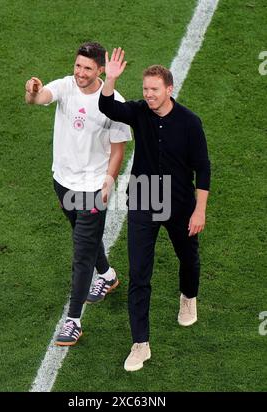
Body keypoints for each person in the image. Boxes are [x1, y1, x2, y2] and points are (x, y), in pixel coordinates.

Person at [99, 48, 211, 371]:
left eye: (154, 90)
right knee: (139, 274)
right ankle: (140, 343)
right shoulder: (138, 112)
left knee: (189, 258)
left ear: (169, 89)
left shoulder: (190, 123)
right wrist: (111, 79)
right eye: (145, 89)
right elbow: (107, 105)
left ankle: (188, 296)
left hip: (180, 205)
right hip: (144, 201)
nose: (148, 95)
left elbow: (202, 169)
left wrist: (199, 211)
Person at [25, 43, 131, 346]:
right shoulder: (66, 86)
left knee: (82, 252)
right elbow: (39, 97)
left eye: (87, 68)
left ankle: (73, 321)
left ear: (100, 70)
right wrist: (32, 90)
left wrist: (109, 180)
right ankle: (108, 276)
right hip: (62, 181)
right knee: (83, 234)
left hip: (93, 189)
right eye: (78, 66)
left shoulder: (115, 102)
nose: (80, 73)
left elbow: (118, 148)